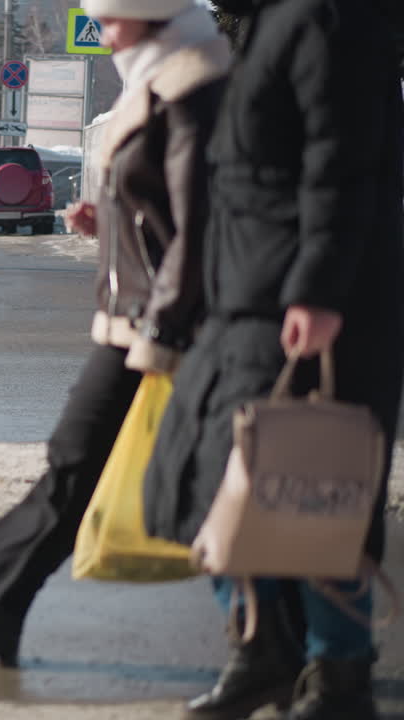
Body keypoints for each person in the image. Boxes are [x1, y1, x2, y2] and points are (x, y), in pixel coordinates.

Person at [0, 0, 230, 667]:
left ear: (149, 17)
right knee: (75, 464)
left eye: (110, 17)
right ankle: (4, 605)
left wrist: (165, 334)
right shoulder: (161, 78)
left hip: (167, 324)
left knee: (194, 486)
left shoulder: (192, 86)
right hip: (141, 316)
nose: (101, 30)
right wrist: (106, 218)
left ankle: (297, 647)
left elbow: (198, 230)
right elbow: (160, 206)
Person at [141, 0, 404, 716]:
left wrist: (317, 291)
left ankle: (336, 673)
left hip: (306, 305)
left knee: (313, 490)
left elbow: (341, 162)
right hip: (253, 297)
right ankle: (265, 651)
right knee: (215, 480)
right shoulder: (286, 17)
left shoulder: (330, 18)